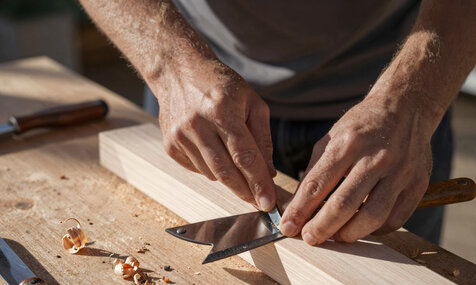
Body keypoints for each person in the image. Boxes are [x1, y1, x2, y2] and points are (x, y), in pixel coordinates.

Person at [80, 0, 476, 244]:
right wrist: (170, 66)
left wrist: (415, 98)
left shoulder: (408, 110)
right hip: (197, 102)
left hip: (399, 119)